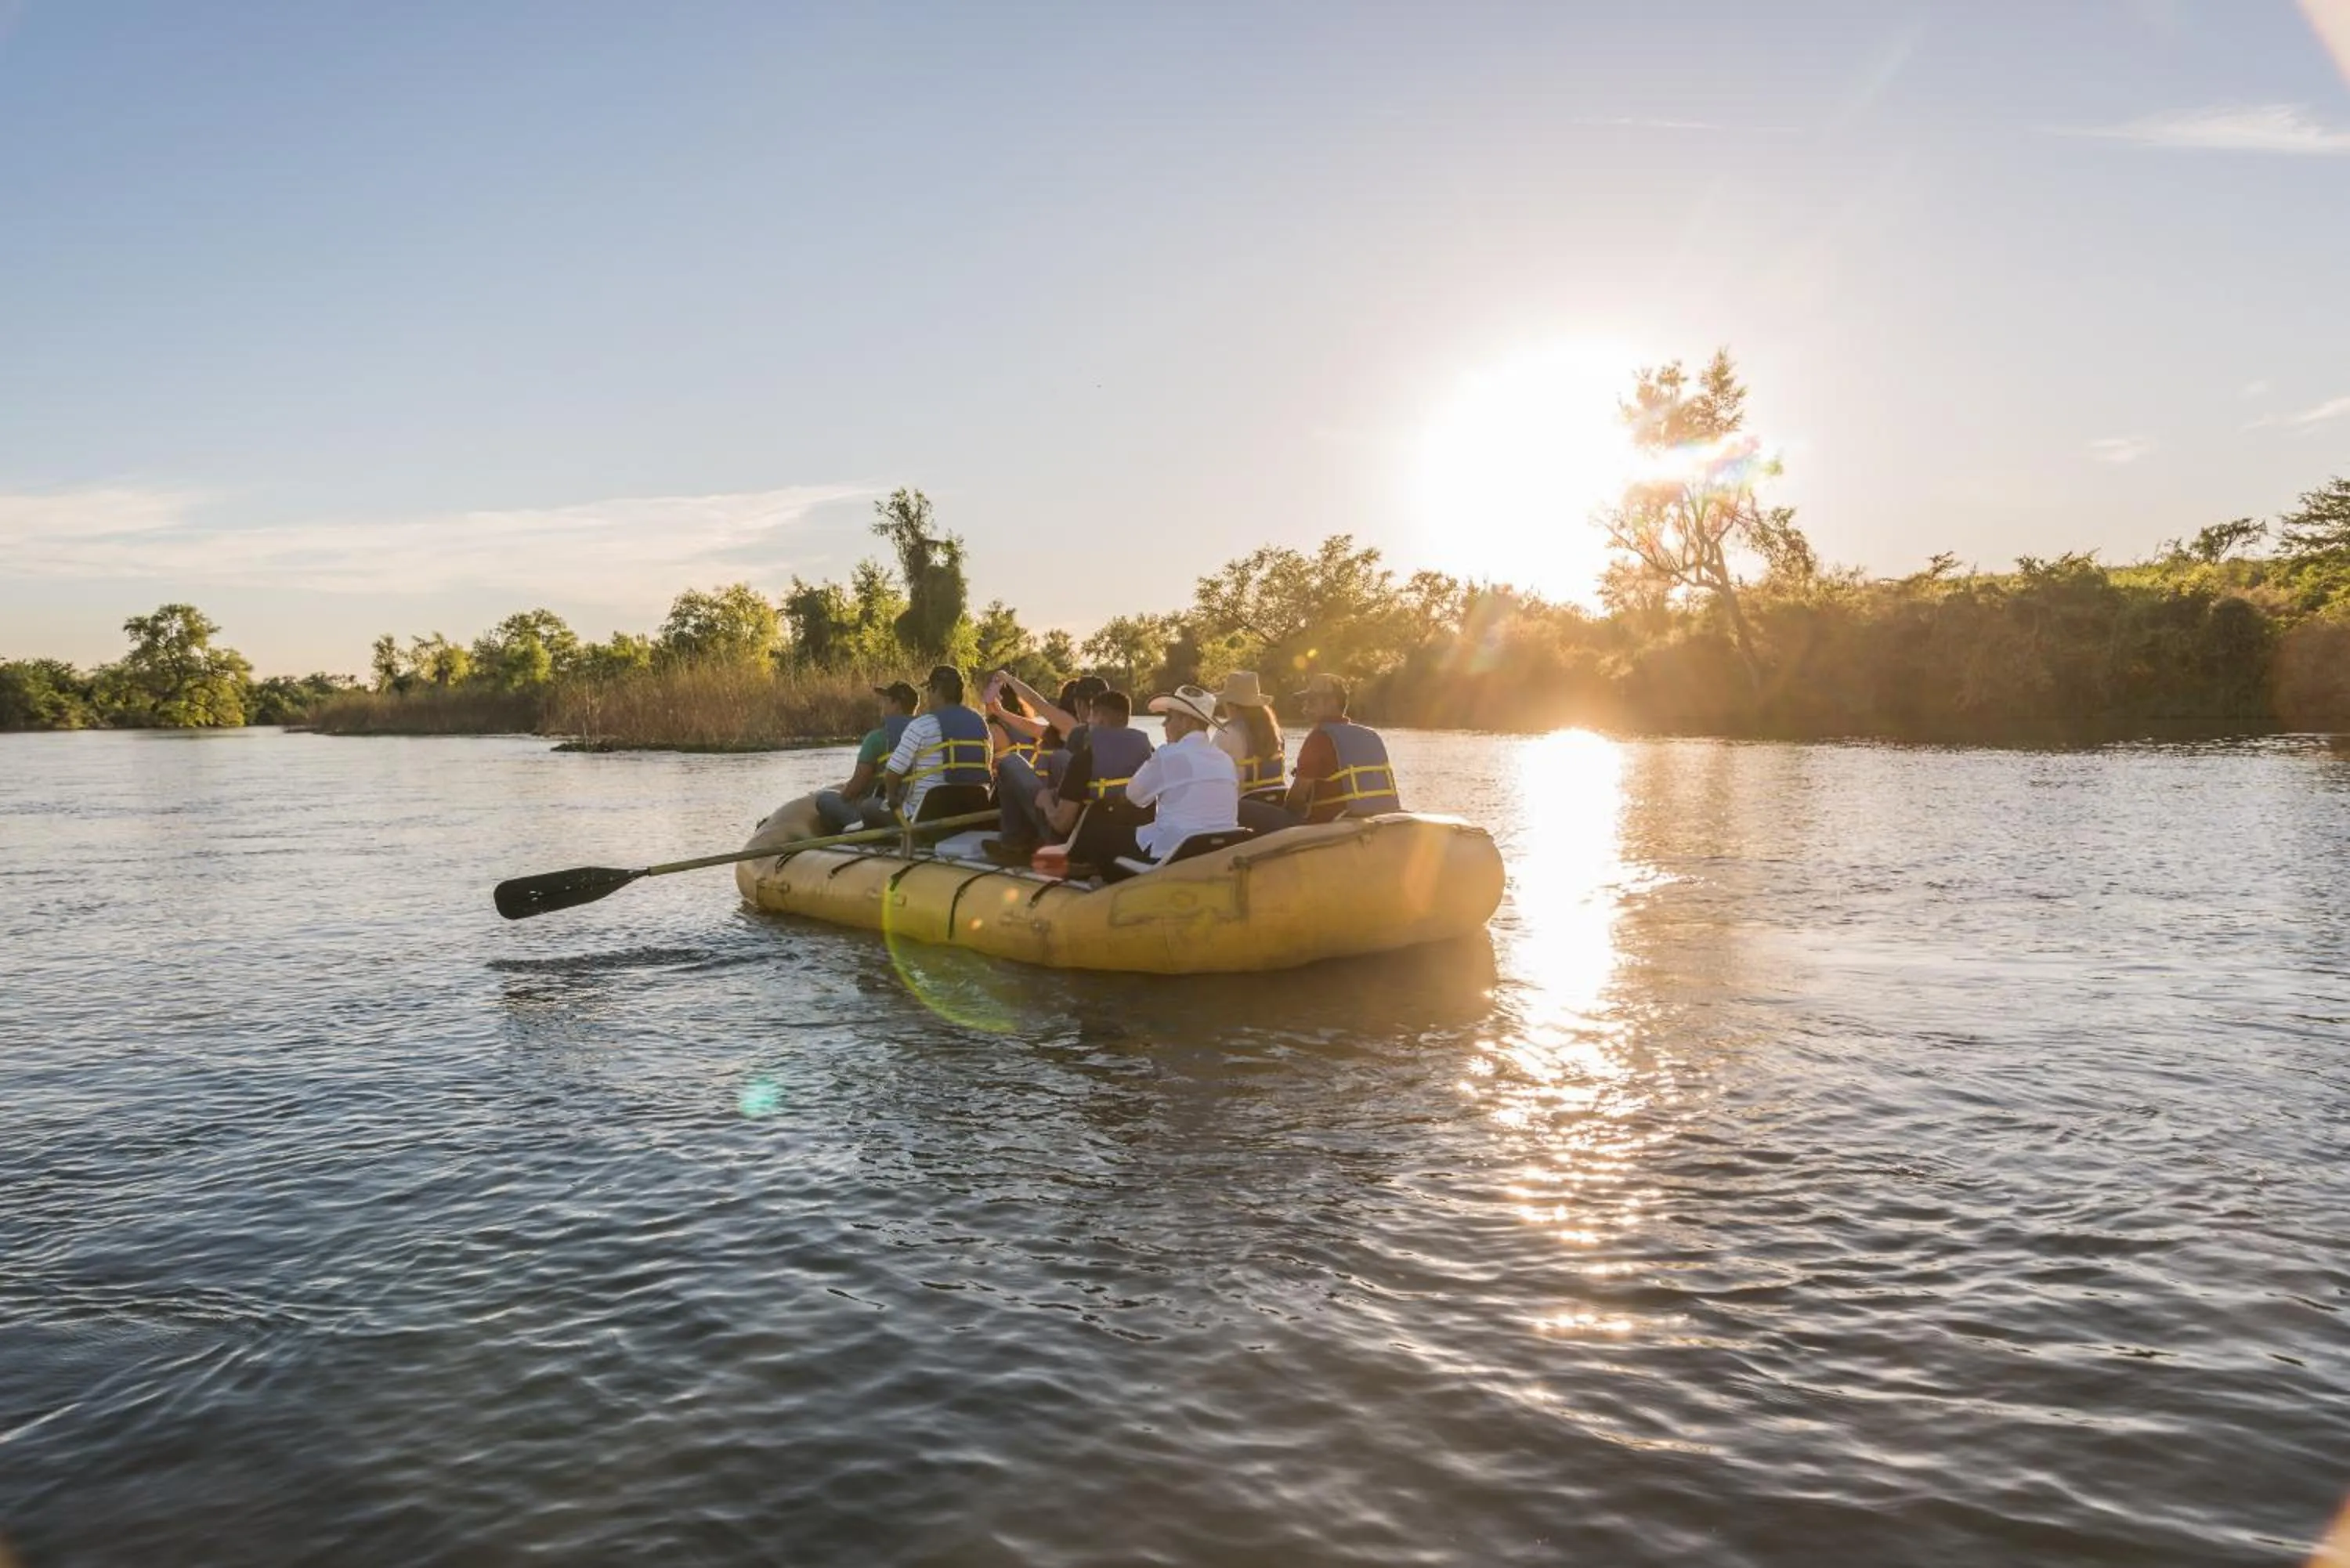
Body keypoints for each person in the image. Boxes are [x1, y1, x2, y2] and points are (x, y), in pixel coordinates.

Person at [1075, 684, 1238, 866]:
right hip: (1218, 851)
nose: (1164, 724)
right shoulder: (1226, 760)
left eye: (1169, 718)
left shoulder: (1169, 755)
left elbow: (1134, 797)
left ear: (1186, 722)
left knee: (1095, 835)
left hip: (1173, 853)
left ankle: (1107, 882)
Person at [984, 685, 1151, 863]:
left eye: (1092, 717)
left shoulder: (1085, 759)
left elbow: (1061, 825)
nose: (1088, 722)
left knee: (1011, 763)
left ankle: (1014, 843)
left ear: (1101, 720)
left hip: (1073, 846)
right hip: (1121, 840)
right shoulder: (1147, 753)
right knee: (1059, 758)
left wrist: (1047, 801)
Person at [883, 665, 996, 826]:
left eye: (929, 689)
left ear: (935, 690)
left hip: (925, 815)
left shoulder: (921, 726)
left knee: (869, 807)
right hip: (973, 811)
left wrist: (891, 797)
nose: (928, 695)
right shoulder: (980, 723)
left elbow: (892, 773)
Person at [1285, 673, 1402, 823]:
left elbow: (1297, 797)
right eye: (1305, 702)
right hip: (1378, 817)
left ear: (1331, 702)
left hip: (1329, 823)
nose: (1305, 708)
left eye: (1312, 701)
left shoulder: (1319, 738)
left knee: (1255, 810)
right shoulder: (1370, 734)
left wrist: (1284, 814)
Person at [813, 681, 918, 833]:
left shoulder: (876, 739)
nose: (882, 706)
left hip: (878, 814)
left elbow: (856, 787)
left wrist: (843, 798)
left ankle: (848, 833)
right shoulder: (926, 735)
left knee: (825, 799)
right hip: (915, 810)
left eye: (886, 701)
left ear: (897, 705)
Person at [1209, 669, 1292, 835]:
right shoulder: (1276, 732)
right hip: (1277, 803)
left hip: (1242, 809)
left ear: (1232, 705)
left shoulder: (1226, 734)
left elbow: (1209, 777)